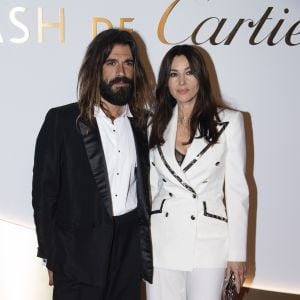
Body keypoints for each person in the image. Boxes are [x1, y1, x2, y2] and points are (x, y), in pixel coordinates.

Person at [32, 28, 153, 300]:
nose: (121, 71)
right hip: (77, 255)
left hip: (128, 253)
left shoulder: (143, 125)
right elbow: (44, 194)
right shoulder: (63, 121)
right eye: (111, 63)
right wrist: (50, 255)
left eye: (128, 63)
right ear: (96, 69)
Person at [146, 45, 249, 300]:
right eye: (173, 74)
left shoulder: (229, 121)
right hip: (161, 240)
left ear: (201, 76)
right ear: (166, 81)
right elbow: (148, 187)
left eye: (189, 72)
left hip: (208, 240)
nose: (181, 82)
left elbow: (237, 191)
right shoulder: (152, 123)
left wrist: (237, 254)